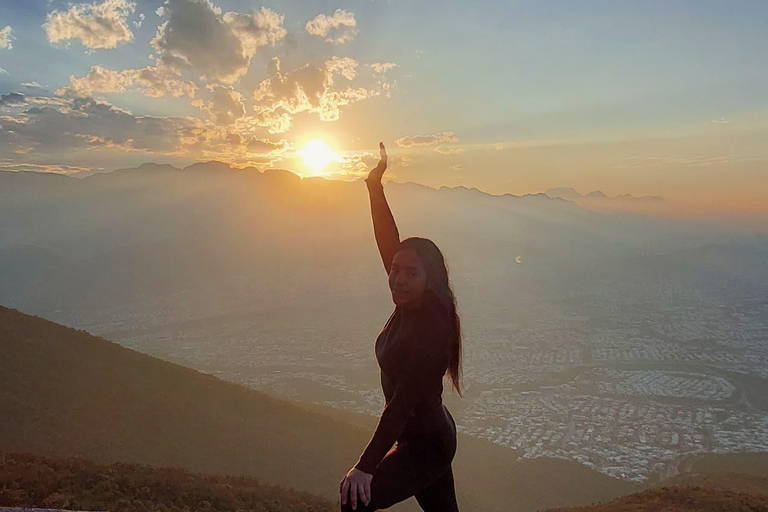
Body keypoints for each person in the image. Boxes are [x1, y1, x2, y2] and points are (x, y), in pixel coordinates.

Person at [339, 142, 464, 512]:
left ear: (430, 279)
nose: (397, 278)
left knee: (355, 502)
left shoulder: (432, 328)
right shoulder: (409, 299)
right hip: (424, 436)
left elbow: (403, 403)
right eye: (395, 269)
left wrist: (366, 466)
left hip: (428, 444)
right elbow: (387, 241)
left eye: (411, 273)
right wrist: (374, 185)